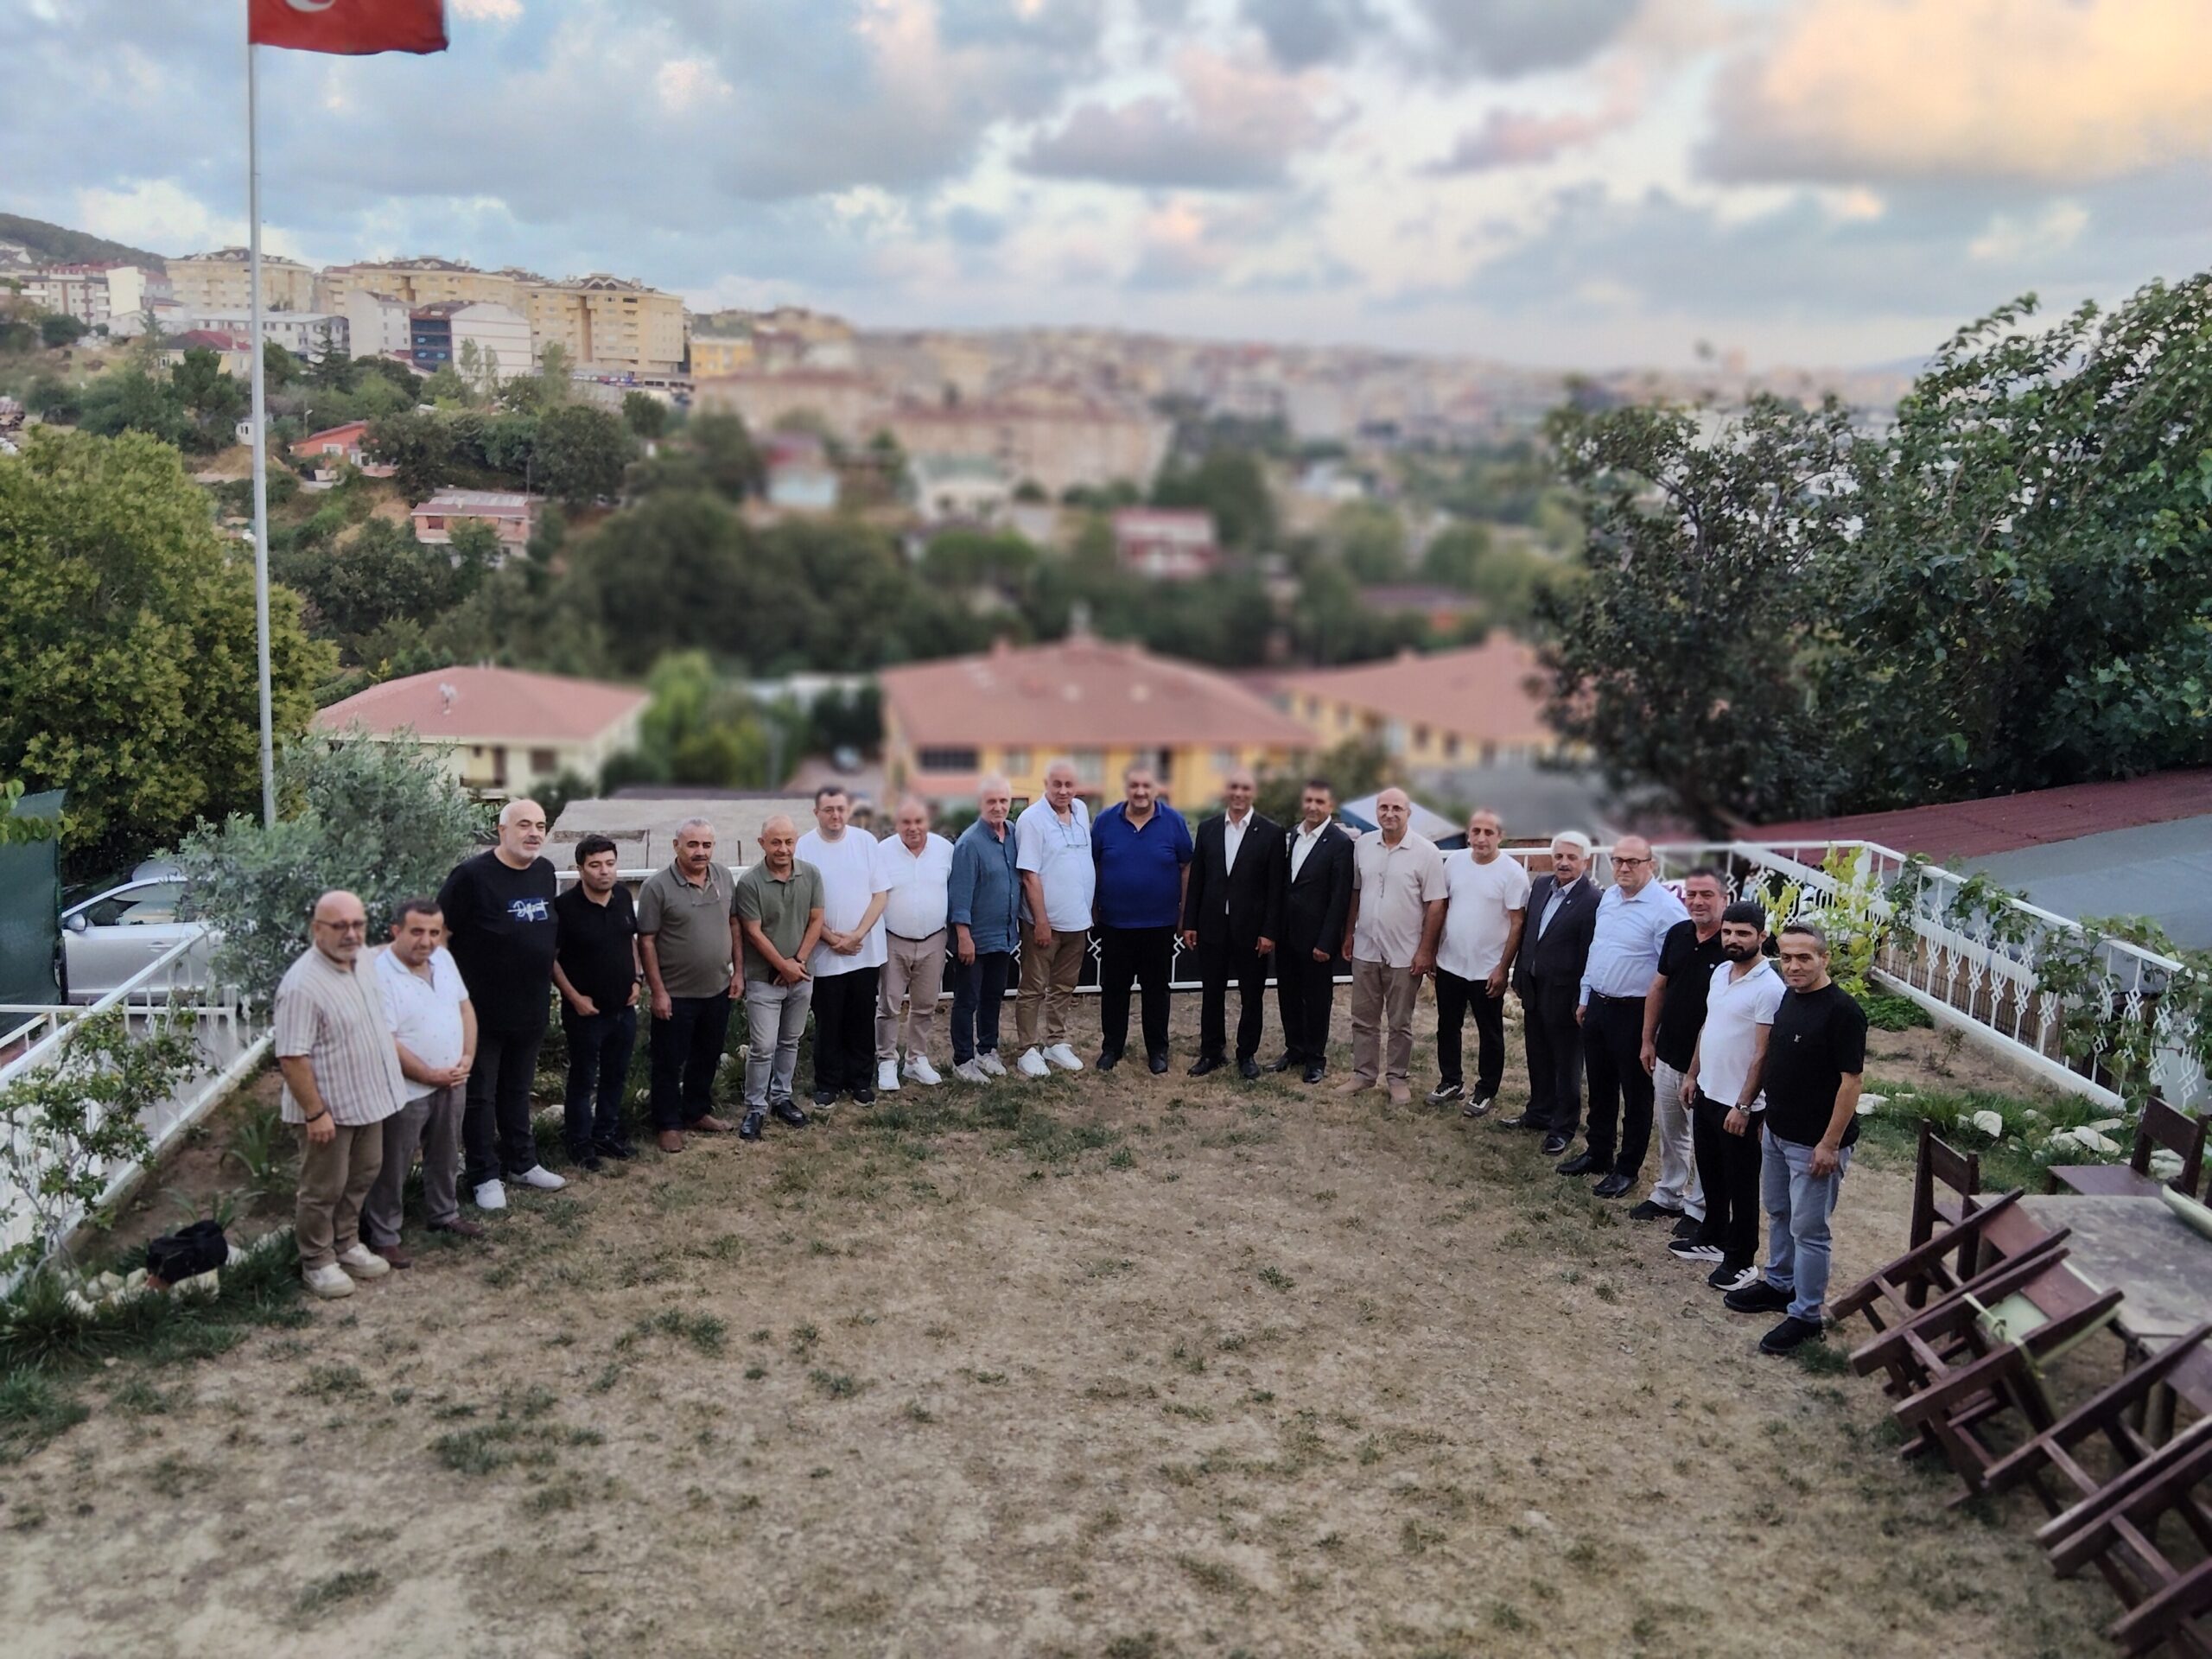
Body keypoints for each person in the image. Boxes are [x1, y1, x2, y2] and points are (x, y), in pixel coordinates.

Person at [1722, 920, 1868, 1355]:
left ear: (1825, 958)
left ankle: (1806, 1314)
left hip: (1814, 1144)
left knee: (1810, 1230)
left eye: (1804, 958)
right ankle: (1780, 1284)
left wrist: (1829, 1144)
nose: (1793, 966)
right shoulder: (1789, 997)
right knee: (1780, 1213)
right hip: (1777, 1132)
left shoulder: (1843, 1012)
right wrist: (1759, 1114)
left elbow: (1851, 1083)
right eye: (1786, 957)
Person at [274, 891, 405, 1299]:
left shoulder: (362, 959)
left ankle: (347, 1244)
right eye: (340, 926)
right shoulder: (302, 985)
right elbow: (292, 1057)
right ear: (317, 929)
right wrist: (315, 1113)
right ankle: (317, 1261)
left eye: (358, 924)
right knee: (322, 1189)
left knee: (362, 1175)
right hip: (327, 1111)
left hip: (368, 1101)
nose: (351, 933)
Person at [436, 799, 565, 1211]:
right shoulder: (471, 876)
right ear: (502, 830)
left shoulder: (545, 872)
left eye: (540, 825)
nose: (534, 833)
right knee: (480, 1097)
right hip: (479, 1013)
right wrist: (444, 997)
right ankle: (483, 1175)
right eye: (524, 825)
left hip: (530, 1007)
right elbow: (439, 936)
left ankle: (522, 1163)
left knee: (517, 1090)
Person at [1563, 835, 1688, 1199]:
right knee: (1600, 1085)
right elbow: (1598, 950)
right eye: (1618, 860)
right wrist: (1585, 996)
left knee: (1636, 1094)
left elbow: (1671, 974)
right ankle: (1598, 1151)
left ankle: (1627, 1167)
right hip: (1600, 1005)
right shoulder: (1609, 899)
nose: (1624, 868)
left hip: (1636, 1012)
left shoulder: (1667, 911)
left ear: (1652, 865)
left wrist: (1654, 1027)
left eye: (1633, 861)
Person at [1672, 900, 1785, 1294]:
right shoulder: (1721, 972)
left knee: (1742, 1184)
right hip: (1708, 1091)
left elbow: (1763, 1054)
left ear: (1762, 936)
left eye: (1743, 933)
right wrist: (1693, 1074)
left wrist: (1744, 1105)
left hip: (1740, 1104)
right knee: (1711, 1173)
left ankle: (1740, 1260)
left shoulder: (1769, 988)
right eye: (1728, 932)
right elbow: (1709, 1026)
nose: (1733, 939)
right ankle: (1713, 1236)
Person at [363, 897, 480, 1268]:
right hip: (406, 1088)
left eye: (433, 932)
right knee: (393, 1163)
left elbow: (465, 1008)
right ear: (395, 931)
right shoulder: (379, 974)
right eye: (416, 932)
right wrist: (429, 1075)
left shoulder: (443, 959)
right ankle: (384, 1235)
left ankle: (444, 1214)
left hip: (452, 1079)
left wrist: (467, 1058)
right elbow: (386, 1040)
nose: (426, 941)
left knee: (446, 1153)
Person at [1338, 788, 1447, 1107]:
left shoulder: (1426, 852)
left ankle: (1397, 1078)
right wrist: (1349, 933)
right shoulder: (1363, 846)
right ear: (1376, 811)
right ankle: (1363, 1074)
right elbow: (1356, 892)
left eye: (1397, 808)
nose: (1389, 813)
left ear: (1408, 813)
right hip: (1367, 948)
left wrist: (1426, 950)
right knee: (1363, 1017)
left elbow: (1436, 904)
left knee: (1400, 1022)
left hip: (1404, 953)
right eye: (1383, 807)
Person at [637, 818, 740, 1154]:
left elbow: (734, 924)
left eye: (706, 845)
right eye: (692, 844)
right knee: (668, 1062)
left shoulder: (723, 876)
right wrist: (658, 991)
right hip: (676, 994)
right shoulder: (657, 887)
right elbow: (647, 941)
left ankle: (696, 1112)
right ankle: (667, 1123)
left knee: (707, 1056)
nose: (700, 852)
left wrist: (738, 972)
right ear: (676, 846)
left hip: (717, 989)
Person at [1635, 868, 1729, 1229]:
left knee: (1705, 1139)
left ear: (1724, 899)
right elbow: (1658, 987)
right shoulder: (1678, 934)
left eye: (1706, 894)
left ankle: (1699, 1208)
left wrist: (1695, 1067)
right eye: (1691, 894)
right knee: (1671, 1132)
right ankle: (1669, 1193)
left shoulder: (1732, 946)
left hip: (1709, 1064)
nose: (1697, 901)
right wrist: (1648, 1039)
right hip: (1668, 1054)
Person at [1182, 766, 1285, 1079]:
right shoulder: (1208, 829)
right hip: (1212, 927)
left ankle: (1247, 1054)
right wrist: (1190, 922)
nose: (1239, 794)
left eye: (1245, 788)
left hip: (1252, 932)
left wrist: (1269, 931)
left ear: (1254, 793)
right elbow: (1197, 880)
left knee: (1251, 995)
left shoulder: (1271, 833)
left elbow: (1276, 888)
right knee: (1212, 992)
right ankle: (1212, 1052)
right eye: (1234, 787)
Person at [1092, 763, 1194, 1075]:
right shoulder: (1105, 821)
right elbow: (1094, 864)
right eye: (1134, 785)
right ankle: (1112, 1048)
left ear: (1156, 788)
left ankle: (1158, 1050)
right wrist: (1094, 905)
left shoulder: (1174, 822)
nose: (1140, 792)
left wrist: (1184, 913)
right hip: (1115, 923)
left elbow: (1186, 867)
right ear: (1126, 787)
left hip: (1159, 924)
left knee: (1157, 990)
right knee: (1114, 989)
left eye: (1146, 786)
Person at [1503, 832, 1600, 1156]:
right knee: (1538, 1055)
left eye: (1572, 857)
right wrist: (1521, 972)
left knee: (1566, 1064)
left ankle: (1563, 1127)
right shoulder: (1542, 885)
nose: (1564, 863)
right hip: (1534, 987)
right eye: (1559, 856)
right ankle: (1538, 1113)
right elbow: (1531, 933)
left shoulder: (1593, 900)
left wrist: (1581, 999)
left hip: (1566, 994)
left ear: (1585, 861)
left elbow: (1589, 953)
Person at [797, 785, 893, 1106]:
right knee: (829, 1021)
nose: (835, 815)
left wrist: (856, 935)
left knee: (861, 1017)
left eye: (841, 809)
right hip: (825, 953)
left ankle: (860, 1080)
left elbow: (880, 894)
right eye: (828, 810)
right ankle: (828, 1083)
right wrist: (830, 938)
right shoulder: (804, 847)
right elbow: (801, 903)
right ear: (816, 813)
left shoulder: (866, 842)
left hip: (865, 951)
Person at [1429, 809, 1529, 1115]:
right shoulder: (1454, 863)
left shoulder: (1512, 873)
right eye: (1476, 831)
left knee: (1490, 1033)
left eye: (1489, 832)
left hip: (1487, 970)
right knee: (1448, 1026)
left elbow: (1517, 923)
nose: (1481, 838)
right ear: (1468, 834)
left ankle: (1486, 1090)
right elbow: (1443, 907)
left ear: (1500, 836)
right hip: (1451, 963)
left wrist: (1503, 968)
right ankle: (1451, 1081)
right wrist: (1433, 951)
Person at [734, 815, 826, 1140]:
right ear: (762, 844)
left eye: (788, 841)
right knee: (763, 1046)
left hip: (801, 975)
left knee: (790, 1040)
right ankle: (755, 1108)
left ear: (796, 841)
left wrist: (797, 963)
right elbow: (753, 932)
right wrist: (782, 966)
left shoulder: (811, 875)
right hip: (764, 978)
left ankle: (781, 1097)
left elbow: (816, 920)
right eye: (775, 842)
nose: (783, 849)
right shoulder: (750, 883)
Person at [553, 834, 640, 1169]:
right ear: (580, 869)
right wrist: (574, 997)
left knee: (615, 1075)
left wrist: (637, 978)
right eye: (595, 865)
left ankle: (606, 1134)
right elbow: (551, 959)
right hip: (585, 1013)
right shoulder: (564, 907)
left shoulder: (622, 896)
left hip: (623, 1008)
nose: (604, 871)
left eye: (610, 863)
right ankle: (579, 1142)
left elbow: (630, 939)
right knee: (583, 1079)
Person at [1014, 759, 1095, 1078]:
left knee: (1064, 986)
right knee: (1033, 987)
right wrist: (1041, 921)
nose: (1063, 790)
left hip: (1077, 920)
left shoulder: (1081, 811)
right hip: (1044, 923)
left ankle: (1055, 1041)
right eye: (1056, 784)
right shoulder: (1032, 820)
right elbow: (1029, 875)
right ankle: (1027, 1048)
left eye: (1069, 784)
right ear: (1045, 784)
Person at [1271, 779, 1352, 1084]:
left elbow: (1339, 897)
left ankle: (1315, 1058)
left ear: (1331, 805)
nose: (1313, 807)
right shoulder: (1292, 835)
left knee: (1317, 1000)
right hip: (1287, 933)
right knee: (1288, 994)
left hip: (1317, 937)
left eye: (1320, 802)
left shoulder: (1340, 843)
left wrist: (1326, 941)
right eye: (1309, 801)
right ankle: (1294, 1049)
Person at [874, 798, 954, 1093]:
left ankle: (916, 1059)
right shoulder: (882, 852)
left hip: (934, 938)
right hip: (893, 939)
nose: (913, 828)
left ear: (928, 822)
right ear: (896, 824)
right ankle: (886, 1060)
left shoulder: (945, 850)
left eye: (918, 821)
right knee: (889, 1004)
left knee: (925, 1004)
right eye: (906, 822)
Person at [947, 777, 1020, 1084]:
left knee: (993, 996)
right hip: (974, 940)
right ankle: (962, 1060)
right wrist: (964, 936)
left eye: (1003, 801)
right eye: (992, 801)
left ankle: (987, 1050)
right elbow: (960, 895)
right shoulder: (969, 844)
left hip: (1002, 936)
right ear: (980, 804)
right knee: (967, 1000)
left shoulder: (1013, 834)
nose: (998, 807)